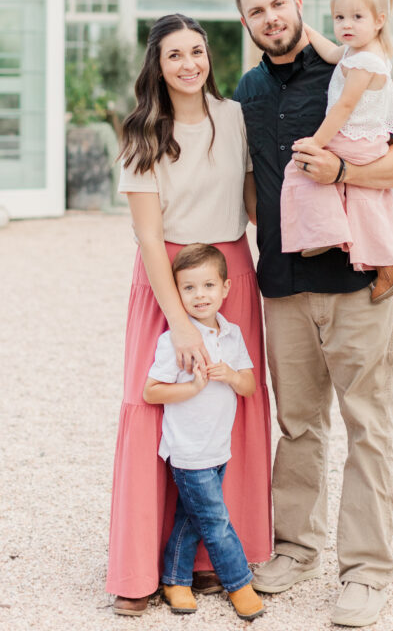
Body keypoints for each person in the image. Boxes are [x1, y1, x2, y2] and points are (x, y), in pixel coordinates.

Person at [232, 0, 393, 629]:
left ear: (297, 6)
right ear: (246, 22)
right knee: (298, 428)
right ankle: (294, 550)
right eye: (256, 10)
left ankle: (367, 573)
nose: (270, 18)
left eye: (278, 4)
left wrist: (343, 169)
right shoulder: (246, 91)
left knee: (368, 431)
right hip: (282, 288)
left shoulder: (351, 68)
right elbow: (247, 187)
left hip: (355, 289)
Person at [106, 14, 272, 617]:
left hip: (230, 272)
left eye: (197, 51)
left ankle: (209, 562)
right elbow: (148, 238)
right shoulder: (142, 133)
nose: (188, 63)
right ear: (158, 64)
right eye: (174, 54)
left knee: (228, 403)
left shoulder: (233, 117)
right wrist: (177, 318)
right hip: (167, 273)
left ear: (210, 56)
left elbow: (252, 199)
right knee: (158, 404)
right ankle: (137, 568)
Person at [143, 243, 264, 622]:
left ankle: (175, 579)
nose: (200, 295)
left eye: (208, 286)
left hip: (218, 447)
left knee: (191, 517)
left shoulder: (231, 335)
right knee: (214, 520)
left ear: (225, 289)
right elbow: (151, 391)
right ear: (176, 293)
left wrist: (229, 374)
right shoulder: (174, 340)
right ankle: (239, 583)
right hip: (188, 450)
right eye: (189, 288)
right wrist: (192, 389)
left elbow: (249, 386)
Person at [280, 0, 393, 304]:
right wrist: (305, 29)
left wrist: (316, 143)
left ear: (379, 21)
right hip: (366, 138)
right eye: (339, 18)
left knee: (300, 169)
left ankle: (323, 233)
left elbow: (344, 107)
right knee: (362, 199)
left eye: (357, 17)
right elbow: (329, 52)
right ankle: (391, 263)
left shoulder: (365, 62)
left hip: (355, 138)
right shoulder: (360, 51)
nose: (346, 25)